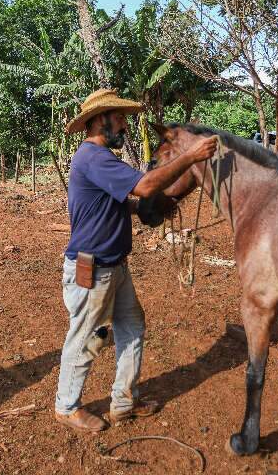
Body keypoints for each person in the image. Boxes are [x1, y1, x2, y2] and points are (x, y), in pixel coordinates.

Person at [54, 89, 218, 432]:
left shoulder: (97, 159)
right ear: (102, 120)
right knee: (87, 337)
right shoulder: (94, 157)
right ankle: (66, 406)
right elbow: (144, 187)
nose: (125, 125)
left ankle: (124, 402)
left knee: (132, 328)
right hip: (93, 268)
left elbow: (111, 203)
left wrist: (139, 208)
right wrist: (190, 157)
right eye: (121, 118)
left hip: (113, 265)